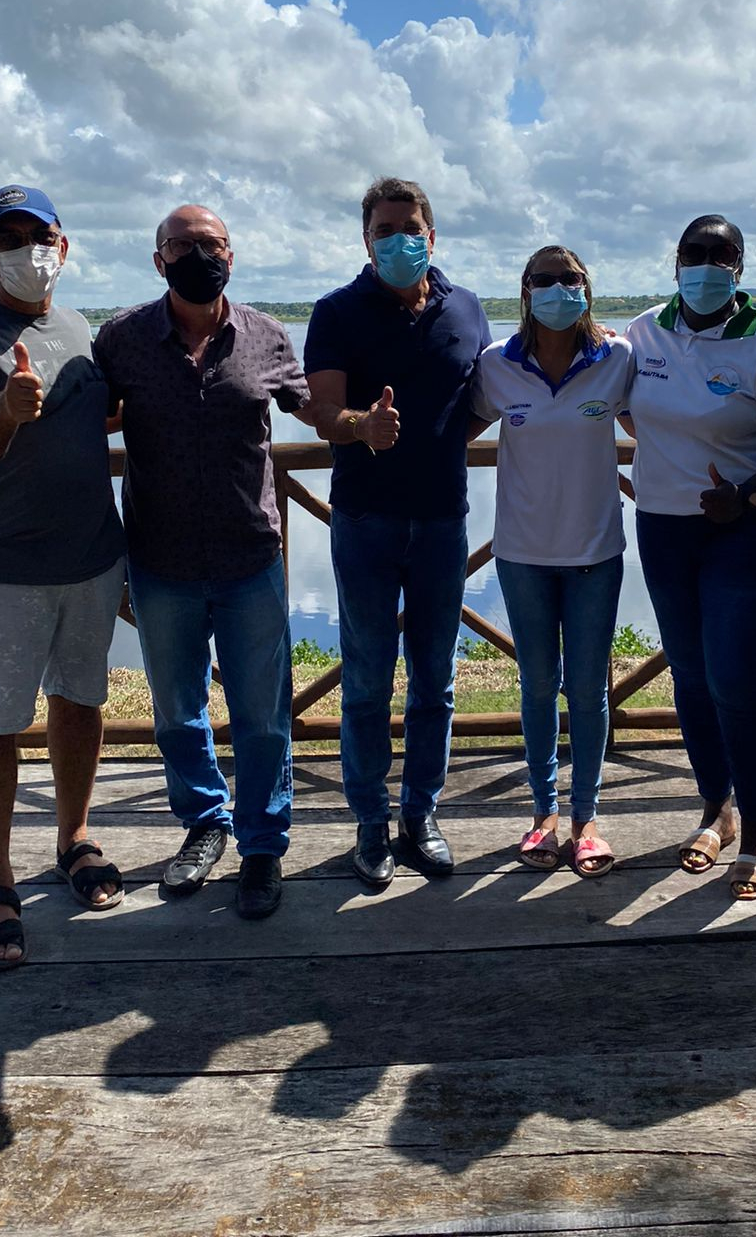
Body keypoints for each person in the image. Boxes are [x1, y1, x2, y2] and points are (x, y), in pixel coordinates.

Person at [94, 205, 320, 920]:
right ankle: (204, 824)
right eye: (184, 245)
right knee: (177, 714)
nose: (200, 254)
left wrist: (360, 424)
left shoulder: (265, 335)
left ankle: (262, 847)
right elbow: (80, 419)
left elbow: (311, 406)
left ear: (234, 254)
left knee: (261, 717)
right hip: (160, 560)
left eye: (212, 243)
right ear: (158, 259)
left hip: (250, 557)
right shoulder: (123, 340)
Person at [0, 185, 127, 970]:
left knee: (81, 704)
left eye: (40, 233)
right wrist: (7, 409)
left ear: (64, 246)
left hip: (90, 559)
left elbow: (98, 413)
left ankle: (72, 837)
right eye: (9, 237)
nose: (29, 248)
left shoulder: (78, 329)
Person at [304, 177, 491, 886]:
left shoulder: (466, 308)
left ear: (432, 234)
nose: (399, 240)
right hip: (365, 521)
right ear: (366, 241)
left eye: (409, 227)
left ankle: (421, 812)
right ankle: (370, 823)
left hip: (444, 520)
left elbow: (482, 396)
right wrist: (362, 427)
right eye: (384, 230)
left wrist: (442, 440)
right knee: (366, 682)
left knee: (435, 682)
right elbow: (321, 411)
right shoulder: (336, 311)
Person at [622, 215, 756, 900]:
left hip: (748, 528)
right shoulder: (643, 330)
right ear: (675, 260)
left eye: (720, 255)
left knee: (739, 678)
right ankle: (717, 810)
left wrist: (749, 494)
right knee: (691, 675)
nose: (704, 265)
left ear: (740, 267)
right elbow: (623, 406)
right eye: (692, 253)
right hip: (665, 528)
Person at [471, 246, 634, 877]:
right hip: (522, 554)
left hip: (596, 552)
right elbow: (453, 428)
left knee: (589, 690)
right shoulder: (496, 365)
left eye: (570, 280)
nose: (558, 290)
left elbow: (661, 421)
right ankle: (543, 813)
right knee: (537, 685)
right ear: (525, 291)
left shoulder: (616, 358)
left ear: (587, 289)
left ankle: (586, 817)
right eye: (545, 281)